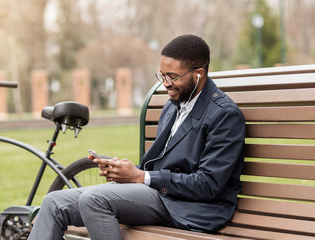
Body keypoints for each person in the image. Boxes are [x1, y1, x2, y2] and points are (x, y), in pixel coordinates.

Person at [28, 34, 245, 240]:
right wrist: (123, 170)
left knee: (94, 200)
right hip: (160, 194)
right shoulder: (173, 106)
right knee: (53, 202)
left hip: (193, 208)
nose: (165, 84)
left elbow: (207, 185)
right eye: (162, 75)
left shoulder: (224, 115)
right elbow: (158, 166)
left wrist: (141, 177)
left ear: (199, 74)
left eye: (173, 77)